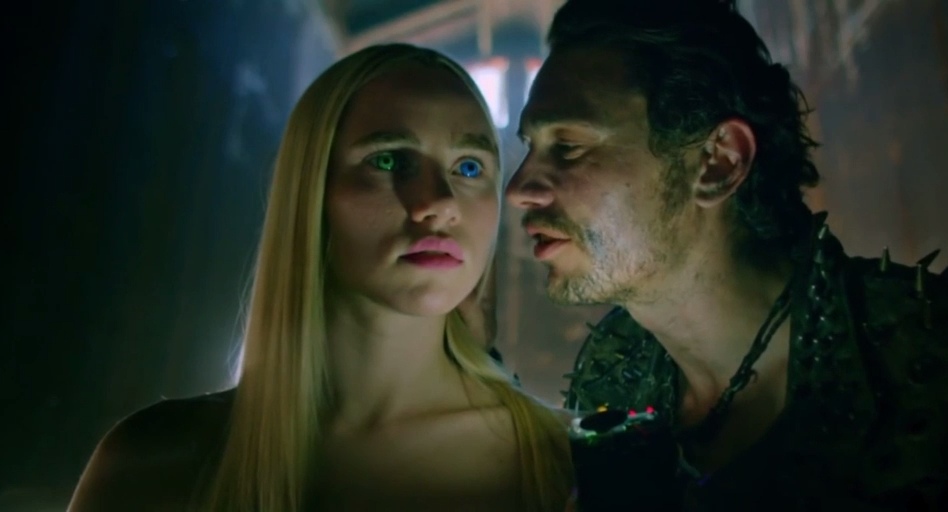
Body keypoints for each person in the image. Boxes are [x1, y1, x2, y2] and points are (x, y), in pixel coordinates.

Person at [508, 0, 948, 509]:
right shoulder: (609, 384)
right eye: (531, 146)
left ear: (717, 163)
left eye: (569, 146)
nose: (520, 188)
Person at [69, 44, 573, 512]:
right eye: (390, 159)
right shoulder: (152, 462)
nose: (439, 202)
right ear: (311, 189)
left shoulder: (563, 465)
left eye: (469, 167)